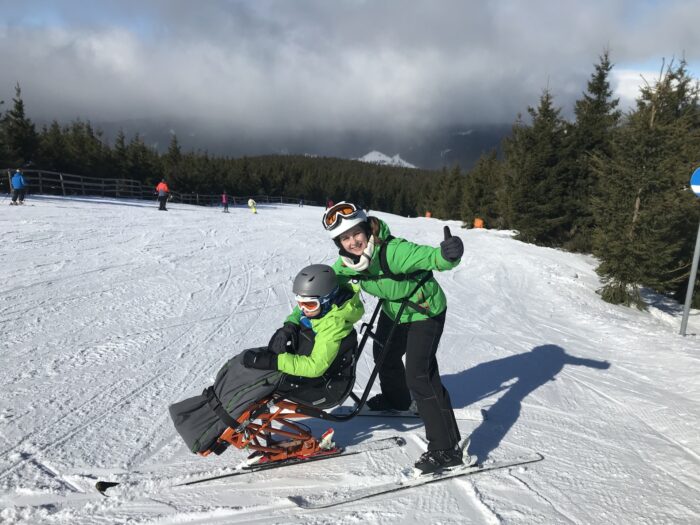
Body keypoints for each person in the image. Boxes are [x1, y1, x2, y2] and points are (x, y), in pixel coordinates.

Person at [321, 201, 466, 475]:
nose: (353, 242)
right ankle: (396, 399)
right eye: (345, 238)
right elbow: (326, 283)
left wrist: (450, 254)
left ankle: (447, 448)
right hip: (395, 308)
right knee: (384, 355)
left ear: (366, 229)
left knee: (419, 375)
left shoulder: (394, 252)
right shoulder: (349, 264)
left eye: (356, 233)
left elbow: (434, 258)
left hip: (424, 310)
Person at [169, 264, 364, 454]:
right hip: (302, 360)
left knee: (255, 377)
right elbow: (303, 311)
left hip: (322, 386)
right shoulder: (323, 309)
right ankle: (203, 412)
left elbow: (315, 367)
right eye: (299, 303)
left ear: (328, 299)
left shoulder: (333, 327)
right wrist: (290, 325)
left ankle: (209, 430)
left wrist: (274, 361)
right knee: (241, 362)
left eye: (309, 304)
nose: (303, 309)